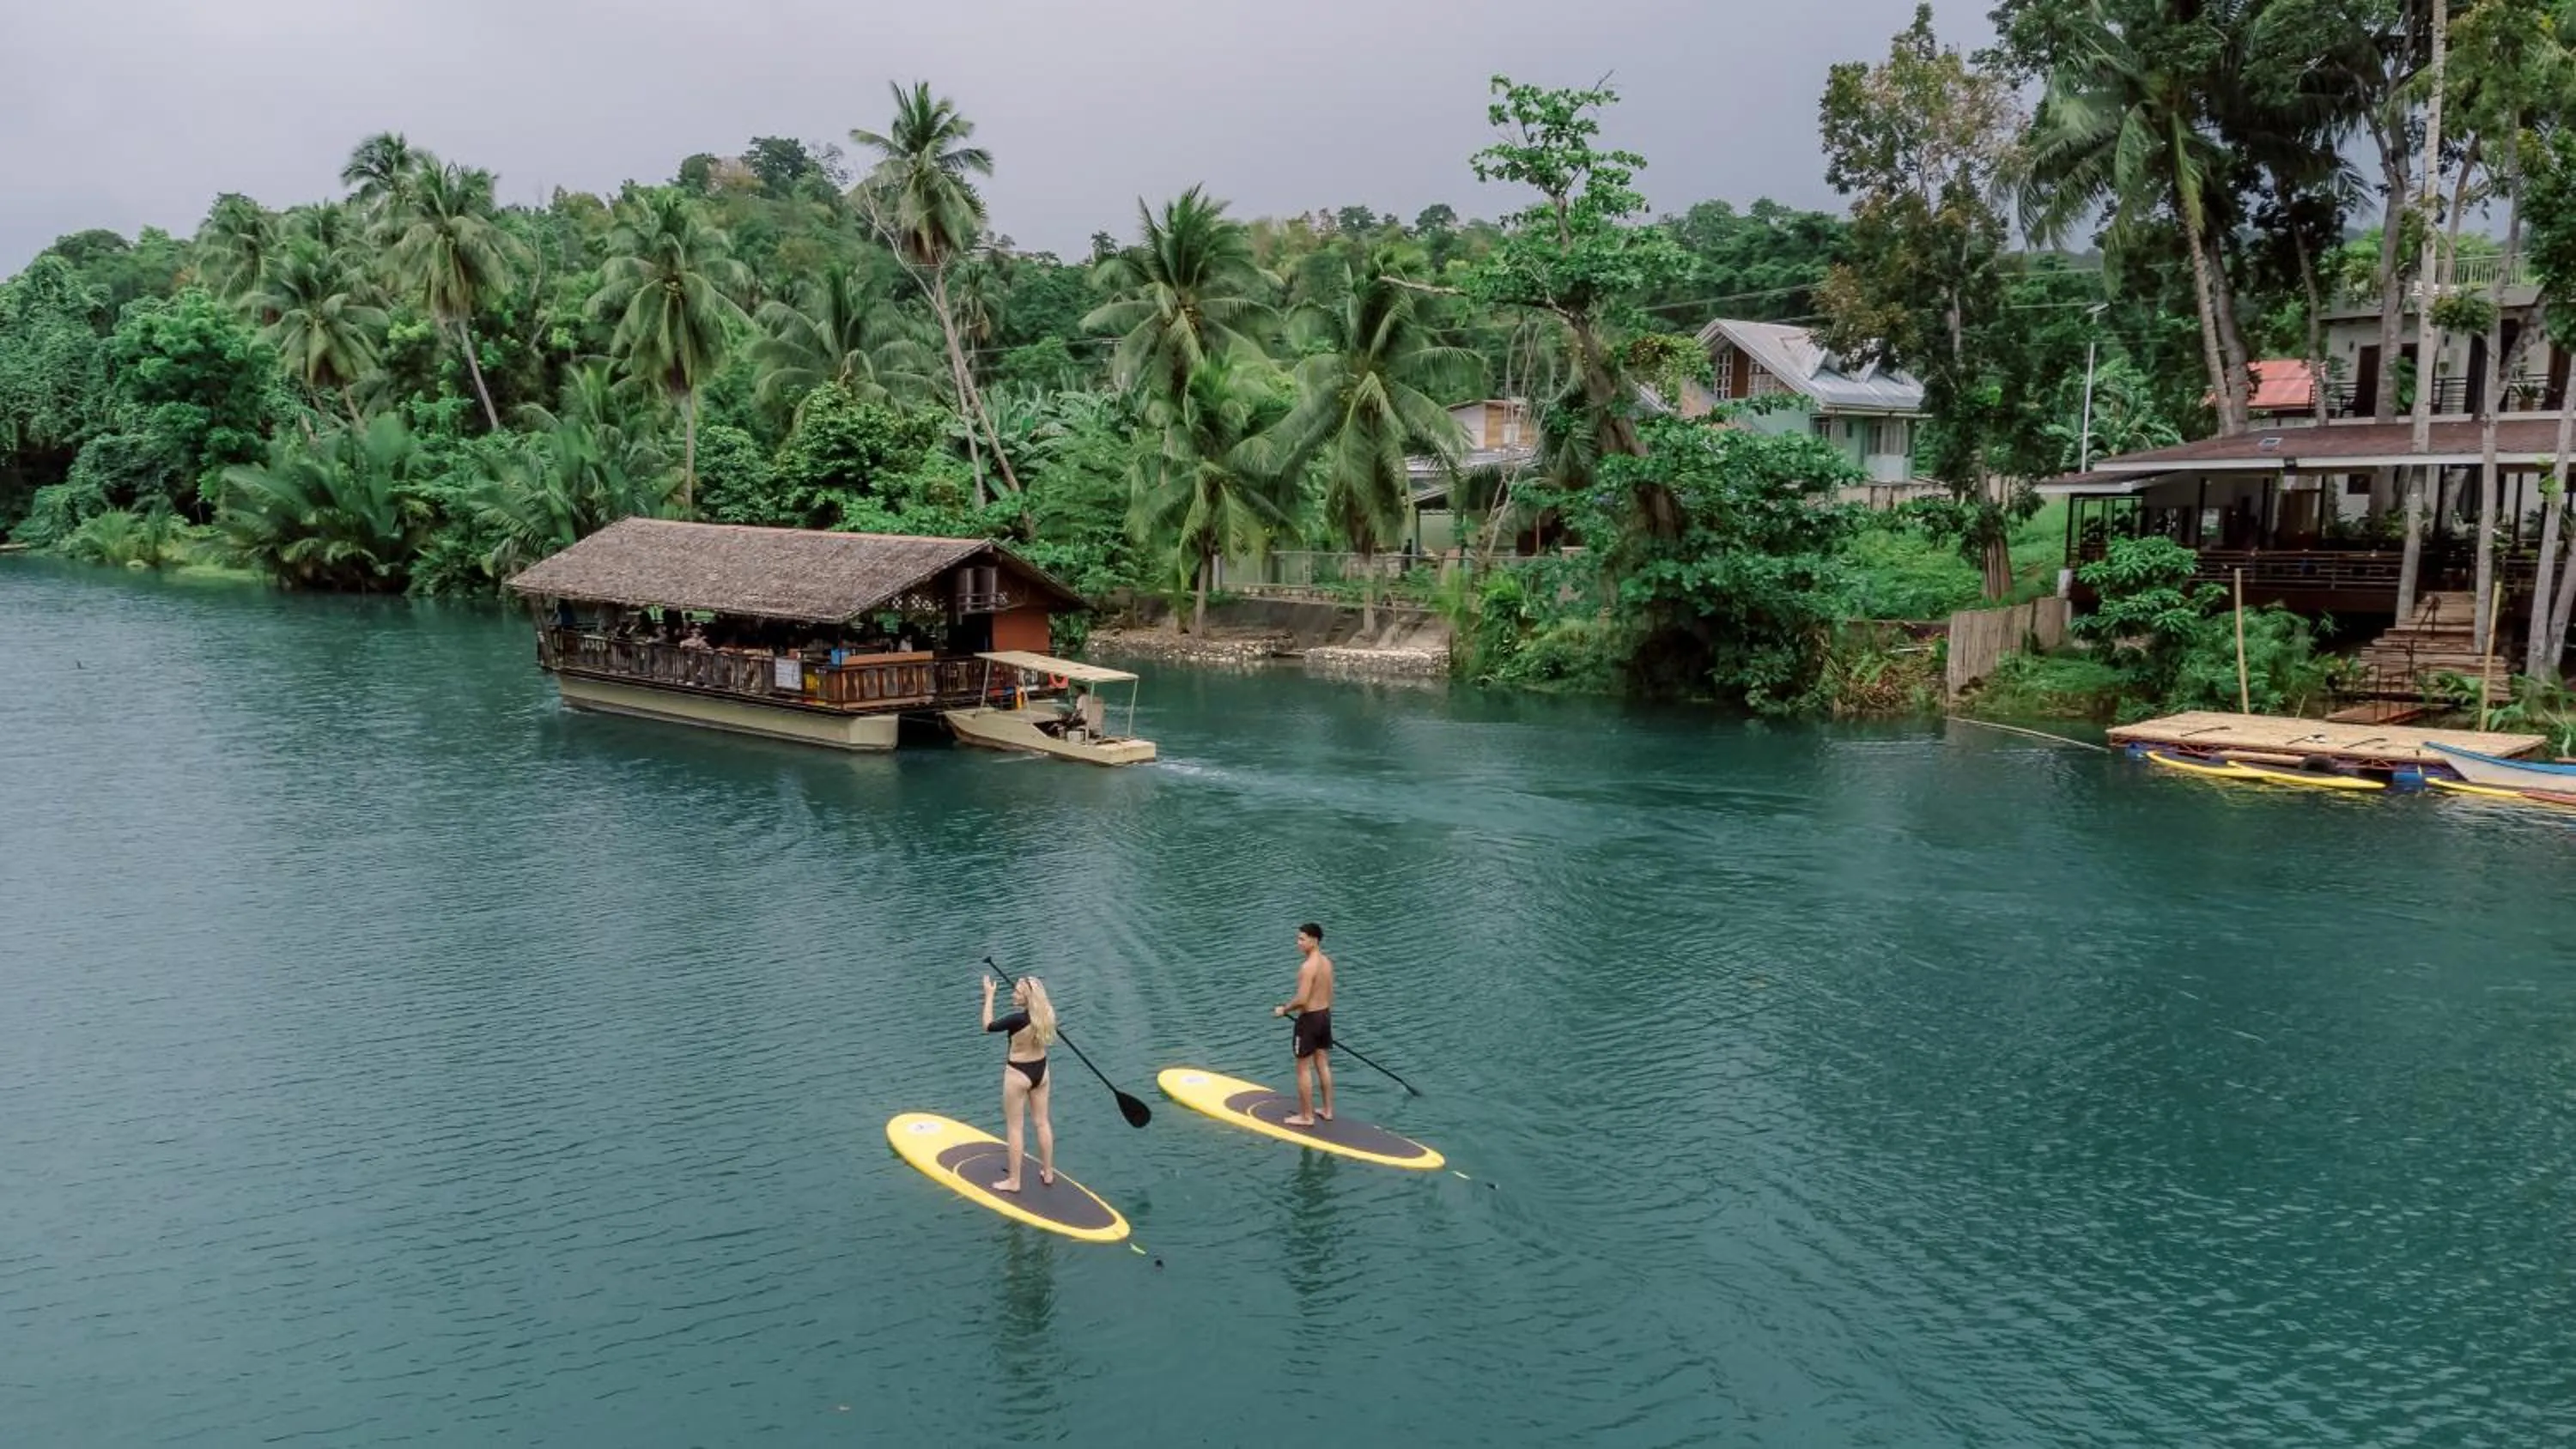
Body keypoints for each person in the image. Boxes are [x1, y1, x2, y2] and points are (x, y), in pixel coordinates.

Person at [981, 974, 1057, 1192]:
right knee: (1042, 1122)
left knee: (1015, 1127)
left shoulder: (1016, 1020)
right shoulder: (1047, 1014)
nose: (1013, 994)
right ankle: (1048, 1173)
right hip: (1041, 1071)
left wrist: (989, 995)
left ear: (1026, 998)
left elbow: (988, 1026)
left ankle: (1014, 1182)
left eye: (1017, 992)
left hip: (1018, 1073)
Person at [1270, 923, 1335, 1126]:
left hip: (1309, 1021)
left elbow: (1302, 999)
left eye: (1302, 939)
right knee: (1322, 1063)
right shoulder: (1327, 962)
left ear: (1314, 941)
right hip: (1324, 1015)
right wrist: (1323, 1018)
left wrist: (1284, 1010)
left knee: (1303, 1068)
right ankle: (1327, 1110)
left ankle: (1306, 1117)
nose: (1298, 943)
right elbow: (1329, 993)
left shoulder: (1307, 967)